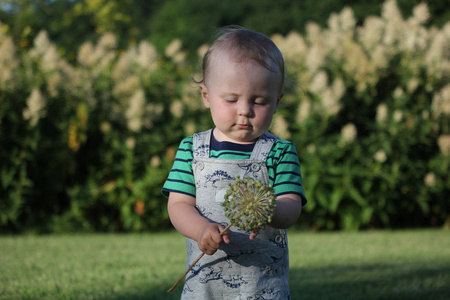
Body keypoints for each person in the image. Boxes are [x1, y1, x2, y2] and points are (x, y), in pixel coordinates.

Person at [162, 25, 306, 299]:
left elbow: (291, 206)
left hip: (262, 283)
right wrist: (200, 228)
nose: (245, 110)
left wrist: (266, 210)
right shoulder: (191, 150)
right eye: (231, 99)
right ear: (206, 96)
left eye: (259, 101)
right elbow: (178, 204)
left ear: (277, 102)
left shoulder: (280, 152)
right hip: (205, 284)